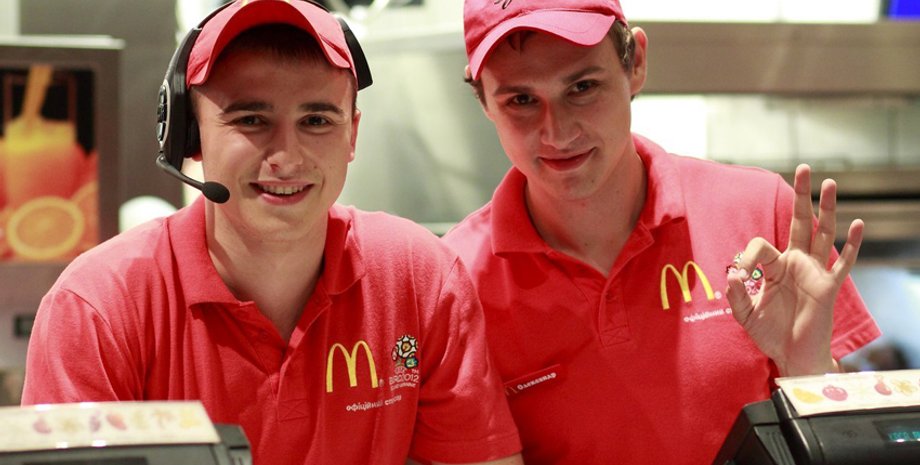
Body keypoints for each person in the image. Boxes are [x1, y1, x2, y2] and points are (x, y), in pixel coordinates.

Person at [21, 1, 523, 464]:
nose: (286, 157)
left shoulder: (419, 278)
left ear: (352, 134)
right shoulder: (98, 307)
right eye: (251, 119)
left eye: (316, 120)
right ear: (189, 136)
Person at [443, 0, 882, 463]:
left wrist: (807, 368)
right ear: (483, 99)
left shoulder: (761, 213)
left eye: (583, 87)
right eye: (521, 100)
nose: (557, 132)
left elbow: (842, 441)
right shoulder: (453, 283)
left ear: (635, 63)